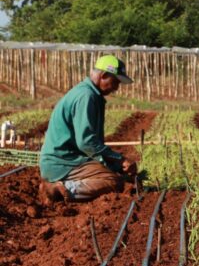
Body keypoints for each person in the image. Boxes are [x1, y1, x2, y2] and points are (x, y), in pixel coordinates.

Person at [38, 55, 137, 203]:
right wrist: (119, 159)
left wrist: (115, 163)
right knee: (113, 181)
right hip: (62, 162)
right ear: (103, 76)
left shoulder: (89, 94)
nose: (116, 88)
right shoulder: (86, 96)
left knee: (115, 173)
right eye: (115, 82)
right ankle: (61, 189)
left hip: (69, 159)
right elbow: (86, 143)